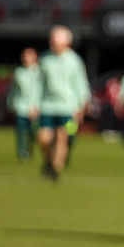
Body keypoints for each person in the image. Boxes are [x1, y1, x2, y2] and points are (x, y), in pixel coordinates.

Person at [36, 25, 90, 180]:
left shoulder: (74, 61)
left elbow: (80, 83)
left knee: (63, 136)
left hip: (68, 107)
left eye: (57, 38)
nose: (53, 41)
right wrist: (34, 103)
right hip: (47, 106)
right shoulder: (45, 60)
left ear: (67, 42)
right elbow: (39, 84)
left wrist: (82, 104)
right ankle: (49, 159)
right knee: (44, 139)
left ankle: (56, 168)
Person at [8, 47, 41, 161]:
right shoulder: (19, 72)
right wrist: (11, 103)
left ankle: (29, 148)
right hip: (21, 106)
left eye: (29, 55)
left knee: (33, 131)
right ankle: (22, 151)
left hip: (36, 107)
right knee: (21, 130)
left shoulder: (40, 72)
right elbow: (13, 90)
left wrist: (37, 106)